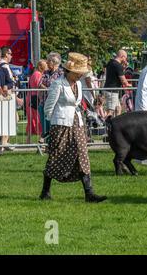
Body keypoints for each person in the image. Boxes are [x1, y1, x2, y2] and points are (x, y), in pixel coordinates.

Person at [39, 52, 106, 203]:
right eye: (77, 73)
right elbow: (48, 108)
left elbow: (77, 104)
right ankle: (45, 191)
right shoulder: (58, 84)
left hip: (77, 123)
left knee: (82, 154)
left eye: (81, 73)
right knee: (57, 156)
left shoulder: (79, 85)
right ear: (69, 71)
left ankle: (89, 193)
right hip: (61, 125)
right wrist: (53, 123)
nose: (79, 76)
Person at [38, 52, 64, 143]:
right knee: (45, 126)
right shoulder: (45, 72)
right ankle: (45, 144)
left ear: (54, 62)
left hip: (55, 104)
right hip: (44, 102)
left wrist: (49, 89)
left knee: (53, 126)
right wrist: (50, 89)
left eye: (48, 61)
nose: (47, 63)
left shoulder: (61, 73)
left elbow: (60, 86)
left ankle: (52, 145)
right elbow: (40, 84)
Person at [26, 60, 48, 143]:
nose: (47, 67)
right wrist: (48, 89)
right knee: (37, 119)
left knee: (33, 119)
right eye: (45, 65)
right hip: (35, 98)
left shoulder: (36, 74)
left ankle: (29, 140)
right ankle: (41, 139)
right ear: (41, 66)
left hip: (32, 97)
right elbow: (39, 85)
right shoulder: (37, 74)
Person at [103, 50, 130, 117]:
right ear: (122, 57)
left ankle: (116, 125)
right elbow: (124, 81)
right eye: (125, 58)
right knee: (110, 112)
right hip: (112, 91)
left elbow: (117, 73)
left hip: (109, 89)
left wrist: (124, 67)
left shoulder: (111, 62)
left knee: (118, 108)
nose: (126, 60)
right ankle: (107, 126)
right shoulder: (117, 65)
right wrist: (131, 85)